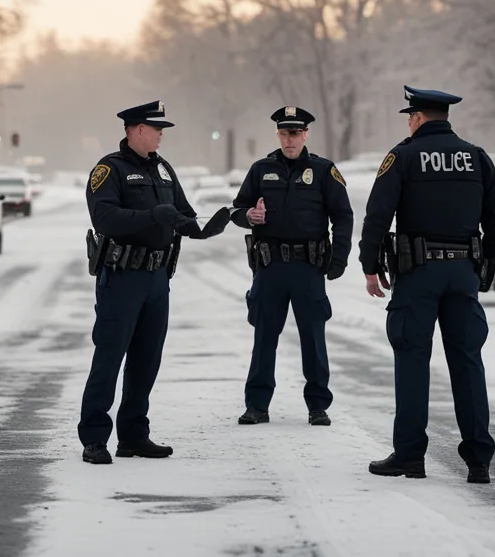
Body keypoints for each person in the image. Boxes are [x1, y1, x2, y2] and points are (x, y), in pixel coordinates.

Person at [357, 86, 495, 484]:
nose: (408, 124)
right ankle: (479, 461)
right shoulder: (475, 157)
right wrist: (484, 263)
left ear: (418, 118)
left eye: (409, 117)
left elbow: (378, 214)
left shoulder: (403, 156)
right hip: (463, 273)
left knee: (412, 361)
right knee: (467, 363)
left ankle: (410, 457)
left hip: (418, 274)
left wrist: (370, 265)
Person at [79, 100, 230, 464]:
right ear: (136, 129)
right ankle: (95, 438)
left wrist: (203, 228)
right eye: (156, 128)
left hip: (157, 278)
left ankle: (133, 435)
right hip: (122, 277)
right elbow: (104, 217)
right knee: (111, 356)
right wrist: (151, 217)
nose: (162, 134)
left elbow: (181, 213)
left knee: (147, 359)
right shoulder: (109, 169)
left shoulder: (163, 170)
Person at [230, 106, 354, 427]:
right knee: (264, 337)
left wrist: (338, 258)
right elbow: (238, 208)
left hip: (307, 268)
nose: (289, 140)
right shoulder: (261, 170)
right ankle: (257, 405)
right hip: (270, 267)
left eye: (295, 134)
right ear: (278, 135)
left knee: (313, 337)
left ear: (306, 135)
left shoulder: (324, 171)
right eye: (284, 134)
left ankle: (317, 405)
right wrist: (248, 216)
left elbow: (343, 216)